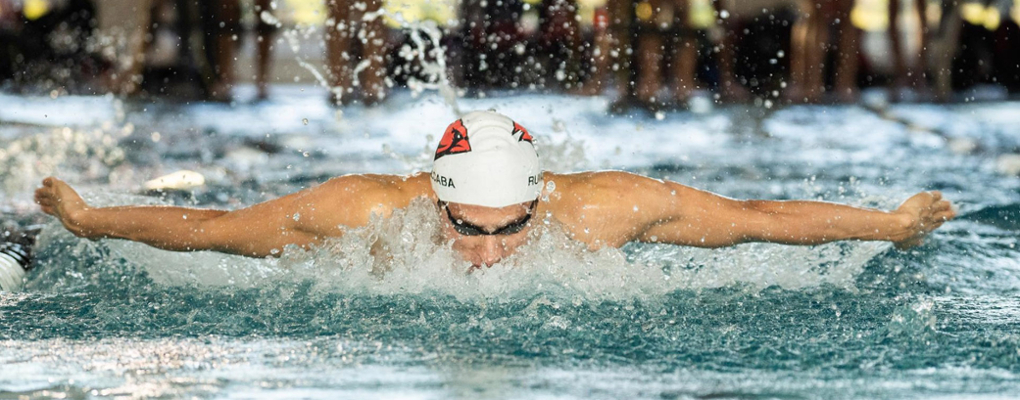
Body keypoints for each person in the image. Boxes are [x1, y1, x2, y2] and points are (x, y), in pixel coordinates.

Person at [34, 111, 955, 269]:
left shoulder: (605, 209)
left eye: (507, 230)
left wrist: (891, 224)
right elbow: (215, 230)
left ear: (541, 201)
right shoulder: (365, 211)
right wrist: (86, 217)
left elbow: (756, 222)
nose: (481, 253)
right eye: (465, 229)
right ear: (431, 199)